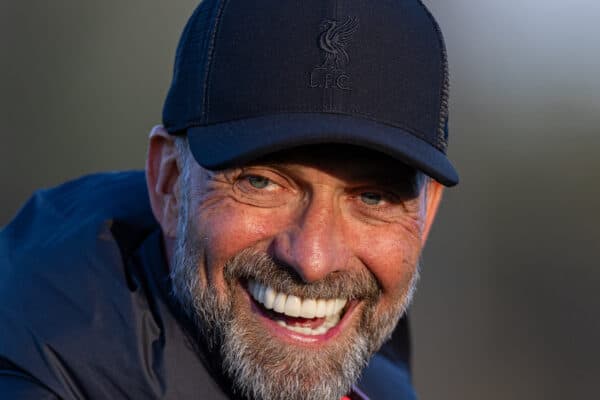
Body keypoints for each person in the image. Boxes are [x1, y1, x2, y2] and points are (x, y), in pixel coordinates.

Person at [0, 0, 459, 399]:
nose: (314, 260)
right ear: (169, 184)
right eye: (261, 183)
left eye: (373, 197)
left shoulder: (369, 367)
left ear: (425, 214)